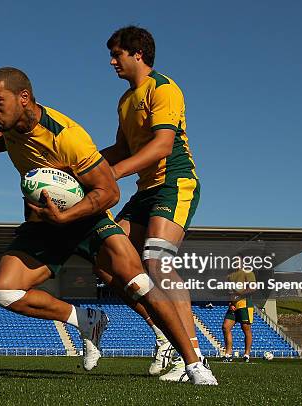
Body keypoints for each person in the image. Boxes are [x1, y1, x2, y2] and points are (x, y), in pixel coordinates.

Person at [0, 67, 216, 384]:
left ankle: (194, 364)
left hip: (87, 218)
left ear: (24, 98)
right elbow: (3, 139)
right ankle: (86, 319)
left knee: (139, 281)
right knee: (6, 291)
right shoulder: (14, 125)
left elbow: (109, 192)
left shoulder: (67, 137)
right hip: (45, 222)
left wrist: (67, 216)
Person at [97, 25, 208, 382]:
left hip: (175, 183)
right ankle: (163, 334)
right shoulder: (125, 100)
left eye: (117, 54)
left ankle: (191, 353)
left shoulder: (163, 88)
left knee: (156, 261)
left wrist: (110, 174)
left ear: (138, 54)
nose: (112, 61)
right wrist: (80, 167)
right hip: (145, 190)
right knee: (108, 260)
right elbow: (122, 149)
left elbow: (161, 147)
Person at [221, 267, 256, 362]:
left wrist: (239, 295)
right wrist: (230, 302)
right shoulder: (229, 275)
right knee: (225, 327)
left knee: (246, 328)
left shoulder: (248, 272)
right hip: (233, 305)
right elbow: (229, 291)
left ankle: (246, 354)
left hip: (245, 304)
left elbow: (253, 288)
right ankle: (228, 354)